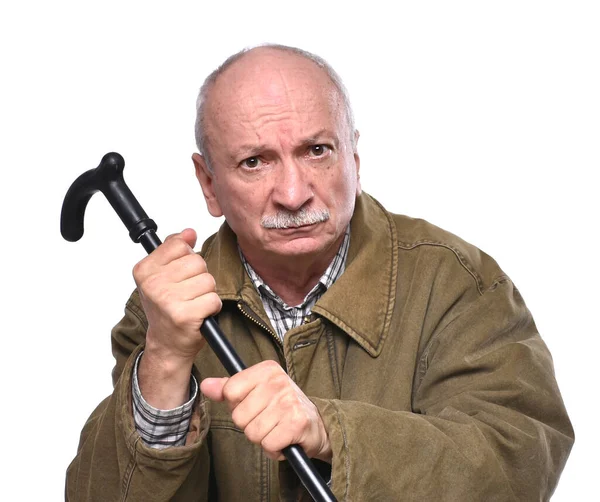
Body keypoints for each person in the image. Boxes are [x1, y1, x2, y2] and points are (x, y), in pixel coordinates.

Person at [65, 44, 573, 501]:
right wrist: (165, 361)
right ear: (209, 183)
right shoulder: (166, 310)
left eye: (316, 151)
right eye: (254, 162)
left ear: (353, 155)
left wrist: (332, 432)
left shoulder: (456, 282)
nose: (293, 193)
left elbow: (518, 467)